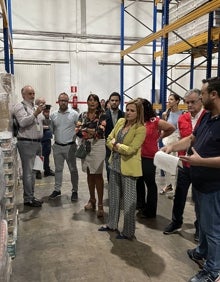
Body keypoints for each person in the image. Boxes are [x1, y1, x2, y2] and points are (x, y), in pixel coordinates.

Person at [162, 77, 220, 282]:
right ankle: (201, 251)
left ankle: (213, 271)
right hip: (200, 181)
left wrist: (200, 161)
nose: (200, 97)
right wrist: (171, 147)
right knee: (203, 222)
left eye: (202, 94)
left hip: (214, 185)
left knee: (213, 230)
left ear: (213, 95)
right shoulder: (207, 117)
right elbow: (190, 139)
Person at [98, 99, 146, 239]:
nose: (129, 113)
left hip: (129, 168)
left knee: (129, 202)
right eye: (128, 110)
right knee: (113, 197)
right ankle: (112, 224)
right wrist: (115, 145)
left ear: (138, 113)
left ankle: (128, 232)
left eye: (132, 111)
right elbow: (108, 138)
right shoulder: (120, 122)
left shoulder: (141, 129)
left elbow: (132, 150)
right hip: (114, 165)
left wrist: (117, 146)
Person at [163, 89, 206, 241]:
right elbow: (184, 139)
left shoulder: (207, 118)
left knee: (199, 199)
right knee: (179, 195)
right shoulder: (183, 119)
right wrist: (172, 148)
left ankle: (200, 228)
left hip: (201, 166)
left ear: (201, 100)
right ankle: (176, 222)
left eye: (193, 102)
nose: (189, 105)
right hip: (184, 164)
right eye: (187, 102)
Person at [136, 99, 175, 218]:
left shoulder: (154, 121)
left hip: (149, 156)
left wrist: (160, 136)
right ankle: (141, 205)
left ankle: (150, 211)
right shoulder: (137, 121)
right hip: (137, 156)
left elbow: (171, 128)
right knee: (139, 182)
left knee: (150, 182)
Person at [13, 85, 45, 207]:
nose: (32, 96)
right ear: (23, 95)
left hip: (37, 143)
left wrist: (41, 112)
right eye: (29, 93)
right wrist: (35, 114)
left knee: (35, 170)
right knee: (28, 172)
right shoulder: (19, 106)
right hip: (26, 142)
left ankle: (32, 196)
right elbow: (22, 122)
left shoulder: (34, 107)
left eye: (33, 93)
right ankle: (28, 199)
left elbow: (41, 121)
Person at [75, 94, 106, 217]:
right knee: (89, 173)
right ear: (87, 102)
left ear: (98, 103)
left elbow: (100, 132)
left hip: (98, 146)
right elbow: (77, 131)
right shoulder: (82, 115)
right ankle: (92, 200)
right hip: (85, 145)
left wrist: (85, 129)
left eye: (94, 100)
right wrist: (90, 131)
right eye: (90, 100)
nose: (92, 102)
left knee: (98, 174)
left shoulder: (102, 115)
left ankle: (100, 205)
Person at [48, 92, 79, 202]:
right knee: (58, 170)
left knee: (73, 170)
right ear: (58, 101)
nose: (63, 102)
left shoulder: (74, 114)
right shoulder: (53, 115)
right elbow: (51, 130)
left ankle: (75, 190)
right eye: (61, 100)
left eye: (65, 100)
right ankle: (57, 190)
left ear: (68, 101)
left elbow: (79, 129)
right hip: (57, 146)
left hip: (70, 147)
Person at [160, 93, 183, 195]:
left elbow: (181, 130)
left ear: (177, 101)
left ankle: (177, 188)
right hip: (167, 141)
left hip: (177, 141)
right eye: (168, 99)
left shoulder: (182, 114)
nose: (169, 101)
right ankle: (168, 186)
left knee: (177, 166)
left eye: (172, 99)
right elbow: (164, 128)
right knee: (166, 164)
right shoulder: (166, 113)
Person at [105, 92, 124, 182]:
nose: (114, 102)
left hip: (121, 147)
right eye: (112, 100)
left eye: (116, 100)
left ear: (120, 102)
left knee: (121, 172)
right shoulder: (104, 115)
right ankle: (112, 192)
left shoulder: (124, 115)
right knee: (109, 171)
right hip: (108, 148)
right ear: (109, 101)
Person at [41, 105, 55, 177]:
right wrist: (47, 127)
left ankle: (47, 170)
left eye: (48, 111)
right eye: (46, 111)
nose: (47, 113)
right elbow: (38, 126)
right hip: (41, 140)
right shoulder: (40, 118)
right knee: (39, 156)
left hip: (47, 139)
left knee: (46, 156)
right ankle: (38, 172)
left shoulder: (50, 118)